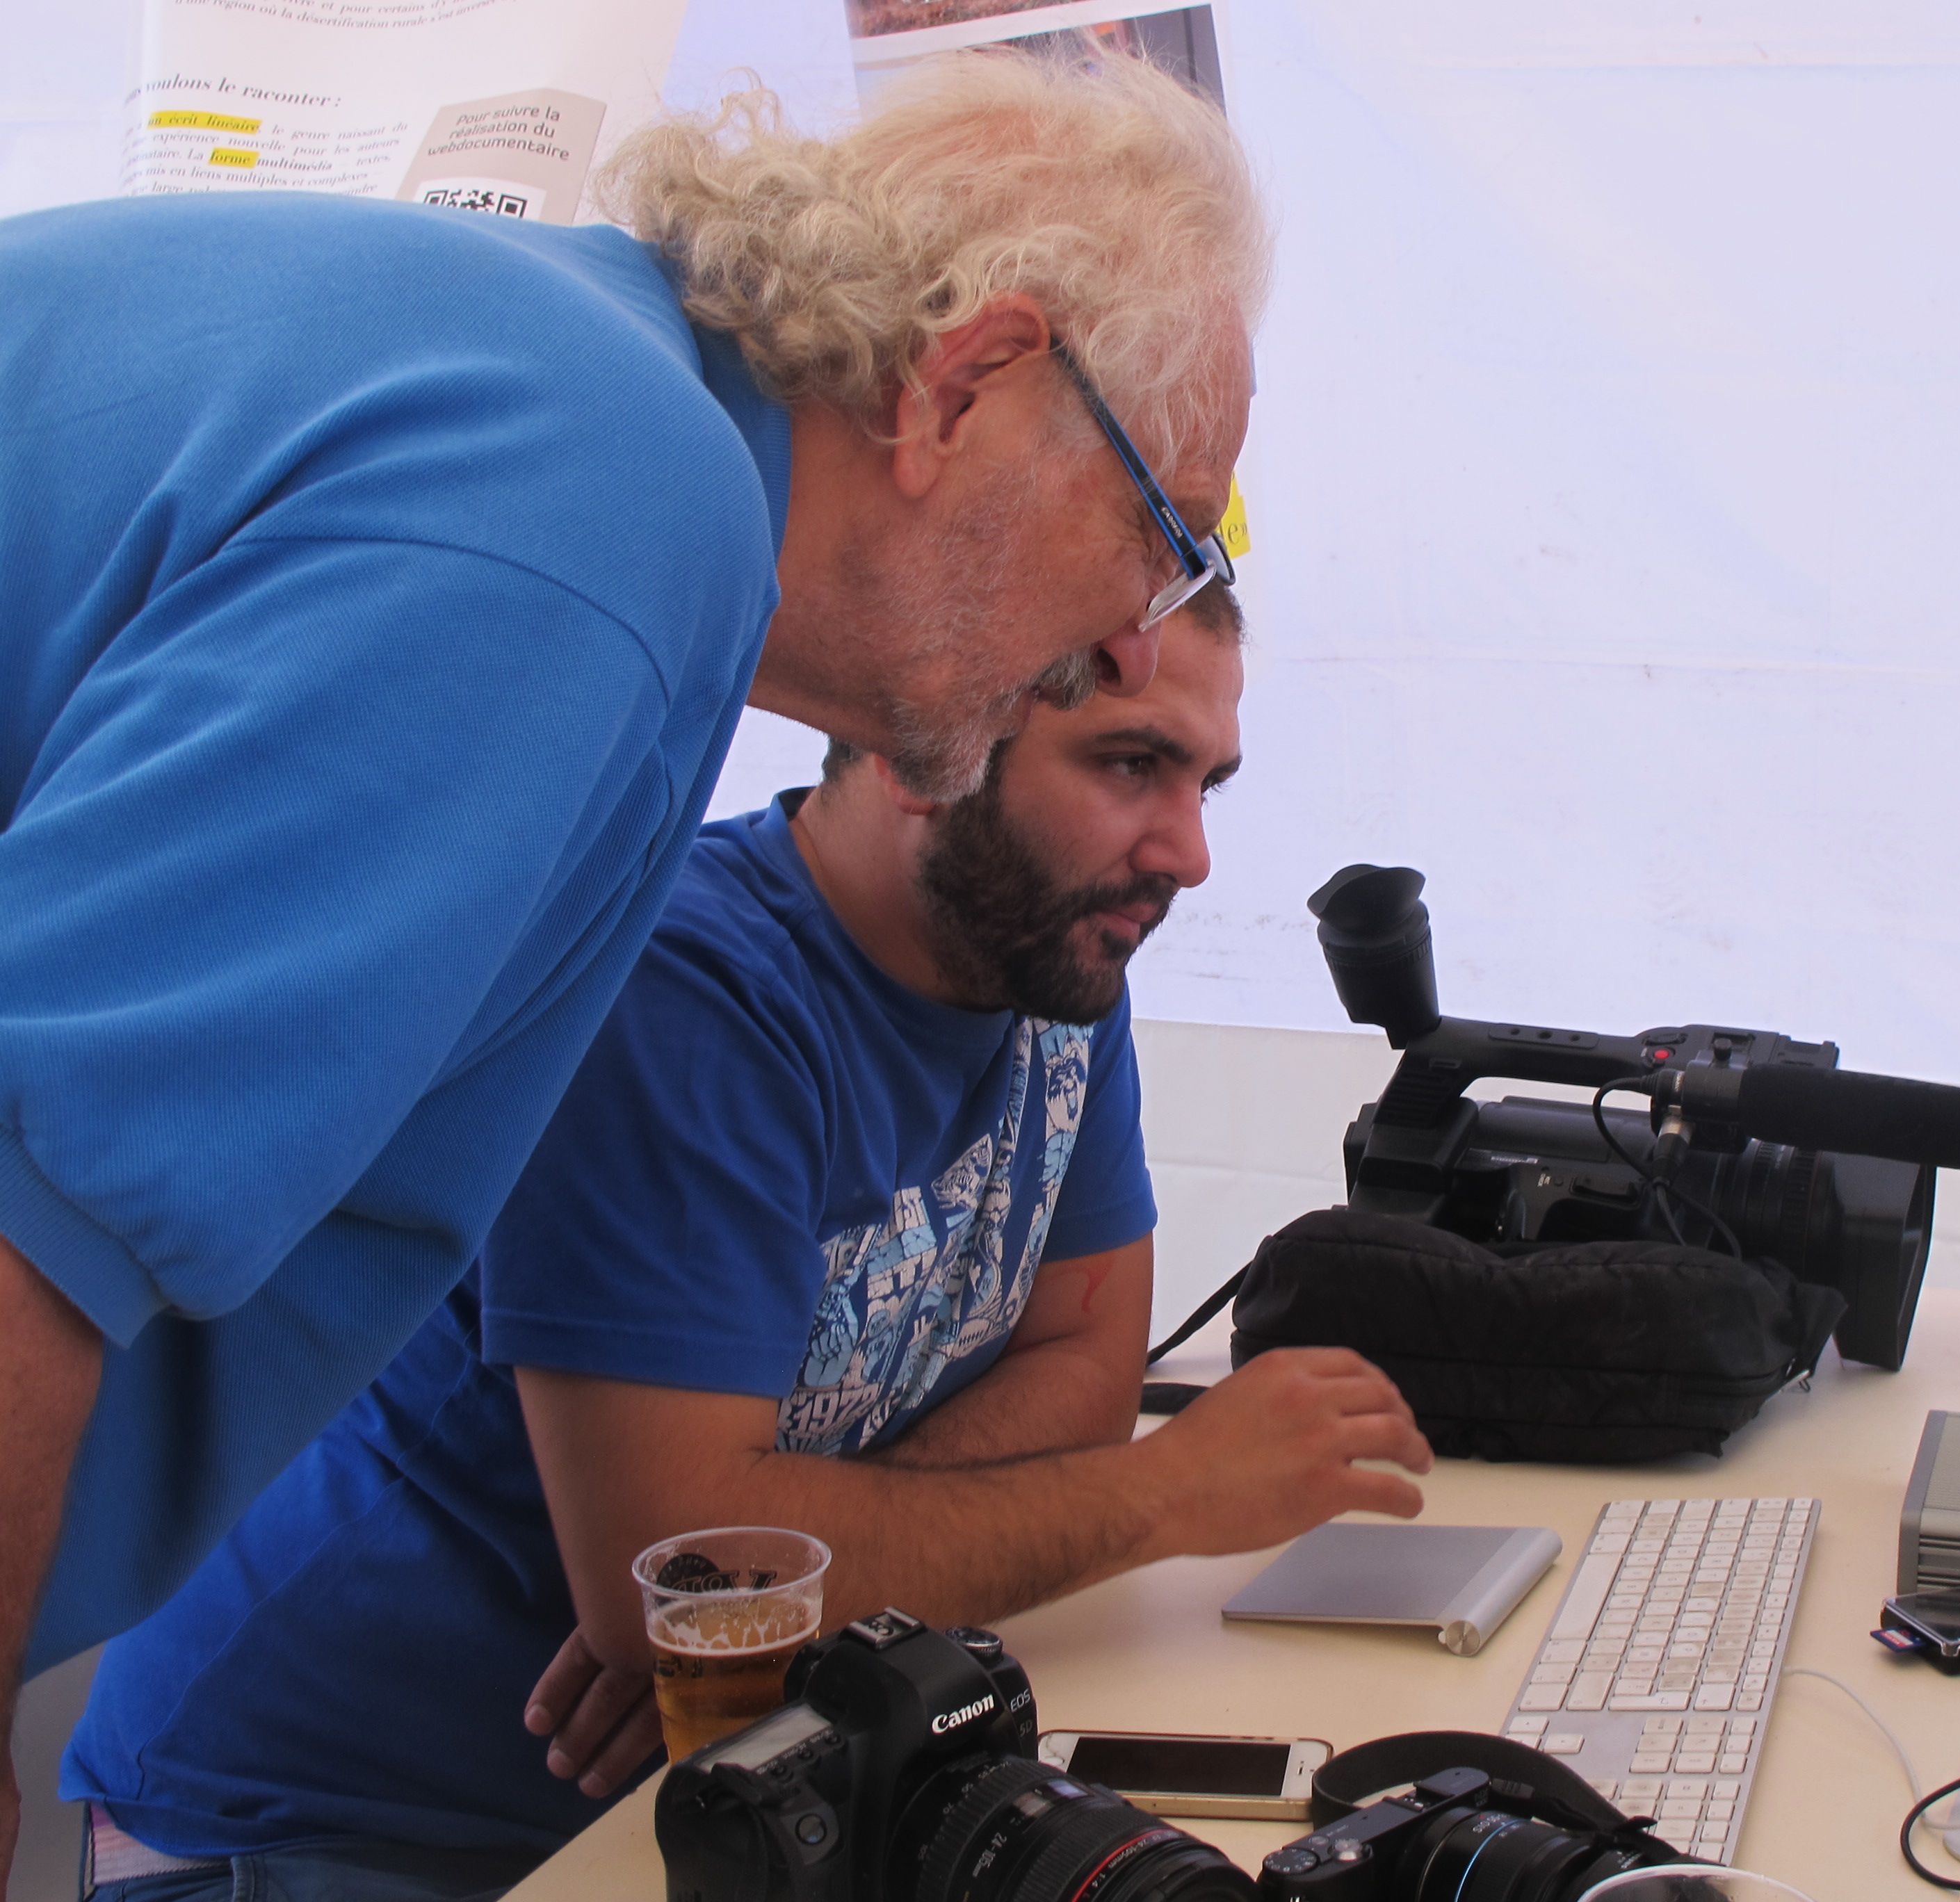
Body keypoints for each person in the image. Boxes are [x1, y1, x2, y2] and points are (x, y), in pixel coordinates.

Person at [0, 49, 1271, 1881]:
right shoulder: (597, 525)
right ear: (970, 386)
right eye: (1167, 537)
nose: (1127, 632)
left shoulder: (612, 454)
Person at [63, 591, 1435, 1899]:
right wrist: (1164, 1493)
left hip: (700, 1785)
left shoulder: (1056, 968)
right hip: (325, 1826)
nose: (1188, 853)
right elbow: (678, 1575)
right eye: (1133, 764)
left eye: (1209, 782)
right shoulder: (682, 993)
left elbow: (1080, 1364)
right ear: (925, 736)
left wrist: (790, 1585)